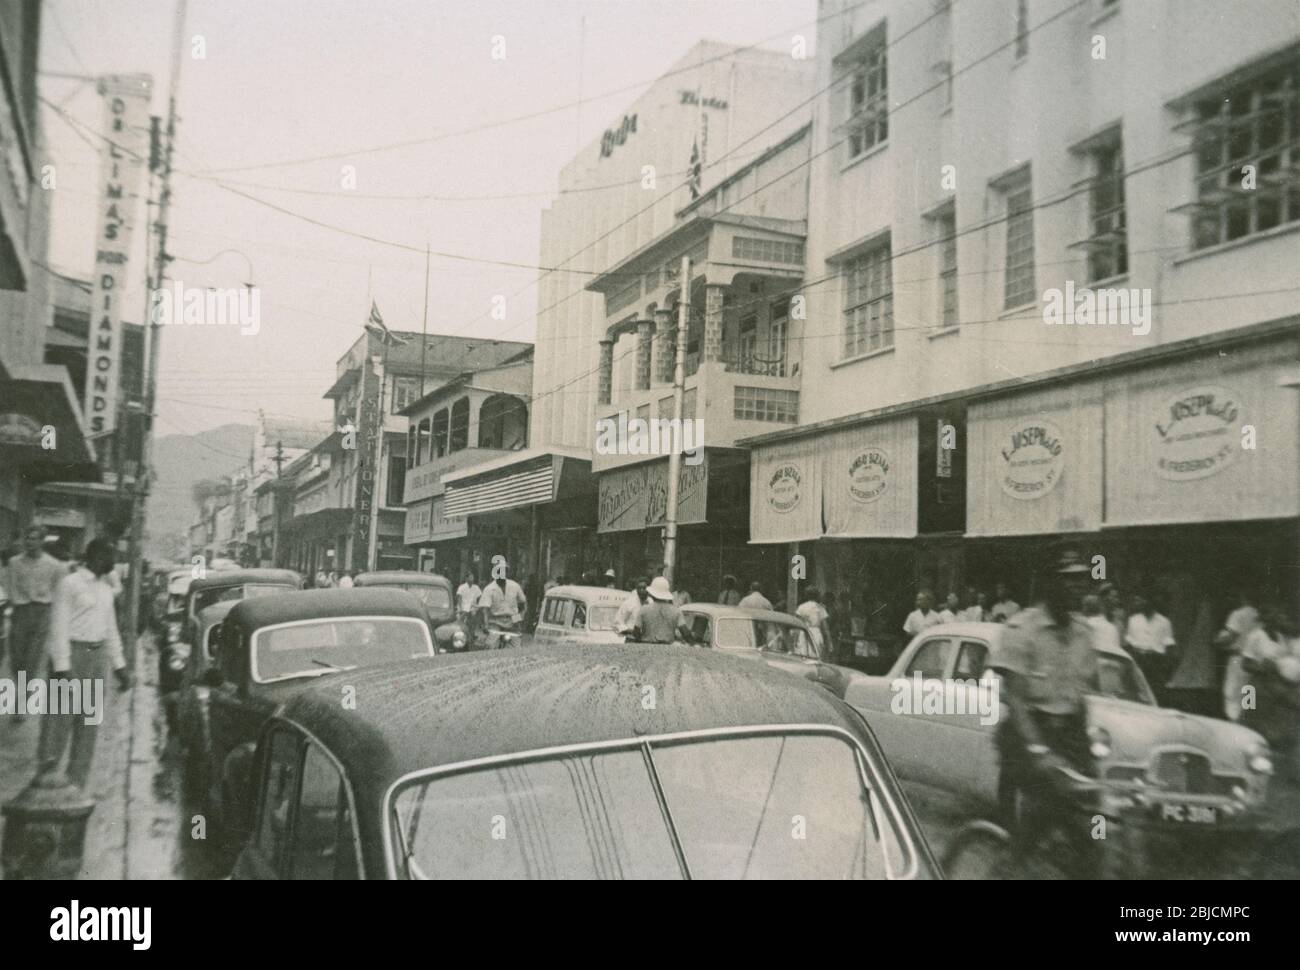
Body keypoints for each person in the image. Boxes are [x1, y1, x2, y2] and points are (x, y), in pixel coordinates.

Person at [992, 548, 1099, 876]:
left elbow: (1084, 697)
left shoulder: (1085, 633)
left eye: (1082, 579)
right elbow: (1016, 699)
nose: (1078, 587)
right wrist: (1040, 750)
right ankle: (1007, 869)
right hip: (1026, 734)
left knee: (1094, 821)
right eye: (1069, 580)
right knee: (1045, 807)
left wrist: (1090, 753)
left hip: (1069, 733)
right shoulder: (1022, 630)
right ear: (1050, 584)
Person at [36, 538, 133, 790]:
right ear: (95, 556)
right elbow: (58, 626)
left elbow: (110, 629)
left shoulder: (105, 588)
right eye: (110, 555)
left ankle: (75, 787)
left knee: (87, 725)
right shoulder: (69, 584)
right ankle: (44, 785)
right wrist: (63, 666)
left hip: (97, 658)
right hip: (72, 656)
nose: (113, 560)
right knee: (59, 721)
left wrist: (120, 665)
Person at [6, 525, 66, 722]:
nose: (30, 542)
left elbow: (58, 593)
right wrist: (15, 606)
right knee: (17, 659)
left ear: (42, 541)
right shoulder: (15, 562)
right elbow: (10, 586)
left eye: (34, 539)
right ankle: (22, 691)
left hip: (41, 613)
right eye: (28, 538)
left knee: (32, 659)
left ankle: (20, 705)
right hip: (21, 613)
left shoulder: (54, 565)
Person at [1124, 592, 1176, 702]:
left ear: (1151, 601)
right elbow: (1129, 644)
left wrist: (1166, 670)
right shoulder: (1133, 620)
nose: (1141, 603)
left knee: (1155, 694)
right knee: (1137, 693)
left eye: (1144, 600)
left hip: (1156, 662)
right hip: (1138, 660)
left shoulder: (1164, 622)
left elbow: (1169, 647)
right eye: (1140, 600)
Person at [1217, 590, 1260, 722]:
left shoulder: (1237, 614)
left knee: (1232, 693)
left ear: (1242, 595)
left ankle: (1234, 722)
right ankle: (1246, 721)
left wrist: (1217, 641)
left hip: (1237, 659)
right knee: (1248, 691)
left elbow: (1230, 637)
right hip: (1254, 661)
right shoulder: (1259, 615)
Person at [631, 577, 691, 644]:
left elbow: (636, 632)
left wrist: (641, 640)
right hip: (667, 648)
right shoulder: (676, 611)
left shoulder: (644, 609)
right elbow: (685, 633)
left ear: (652, 593)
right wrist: (693, 644)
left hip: (647, 646)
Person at [477, 567, 528, 640]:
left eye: (504, 573)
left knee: (516, 646)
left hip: (512, 621)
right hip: (495, 622)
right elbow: (485, 610)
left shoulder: (515, 586)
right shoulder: (489, 589)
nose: (502, 576)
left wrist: (518, 619)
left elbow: (524, 603)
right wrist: (486, 625)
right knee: (492, 644)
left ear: (507, 574)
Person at [796, 588, 832, 656]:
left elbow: (797, 622)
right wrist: (829, 642)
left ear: (806, 595)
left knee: (802, 654)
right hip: (815, 632)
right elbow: (825, 627)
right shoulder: (820, 608)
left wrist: (795, 638)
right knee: (815, 655)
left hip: (804, 631)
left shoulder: (801, 607)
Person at [456, 569, 482, 638]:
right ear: (466, 578)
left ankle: (472, 633)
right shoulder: (462, 587)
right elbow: (459, 598)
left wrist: (479, 606)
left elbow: (480, 597)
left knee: (474, 619)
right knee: (462, 620)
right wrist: (460, 608)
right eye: (470, 577)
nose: (472, 579)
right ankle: (463, 633)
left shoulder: (476, 587)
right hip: (464, 607)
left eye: (472, 577)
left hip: (473, 607)